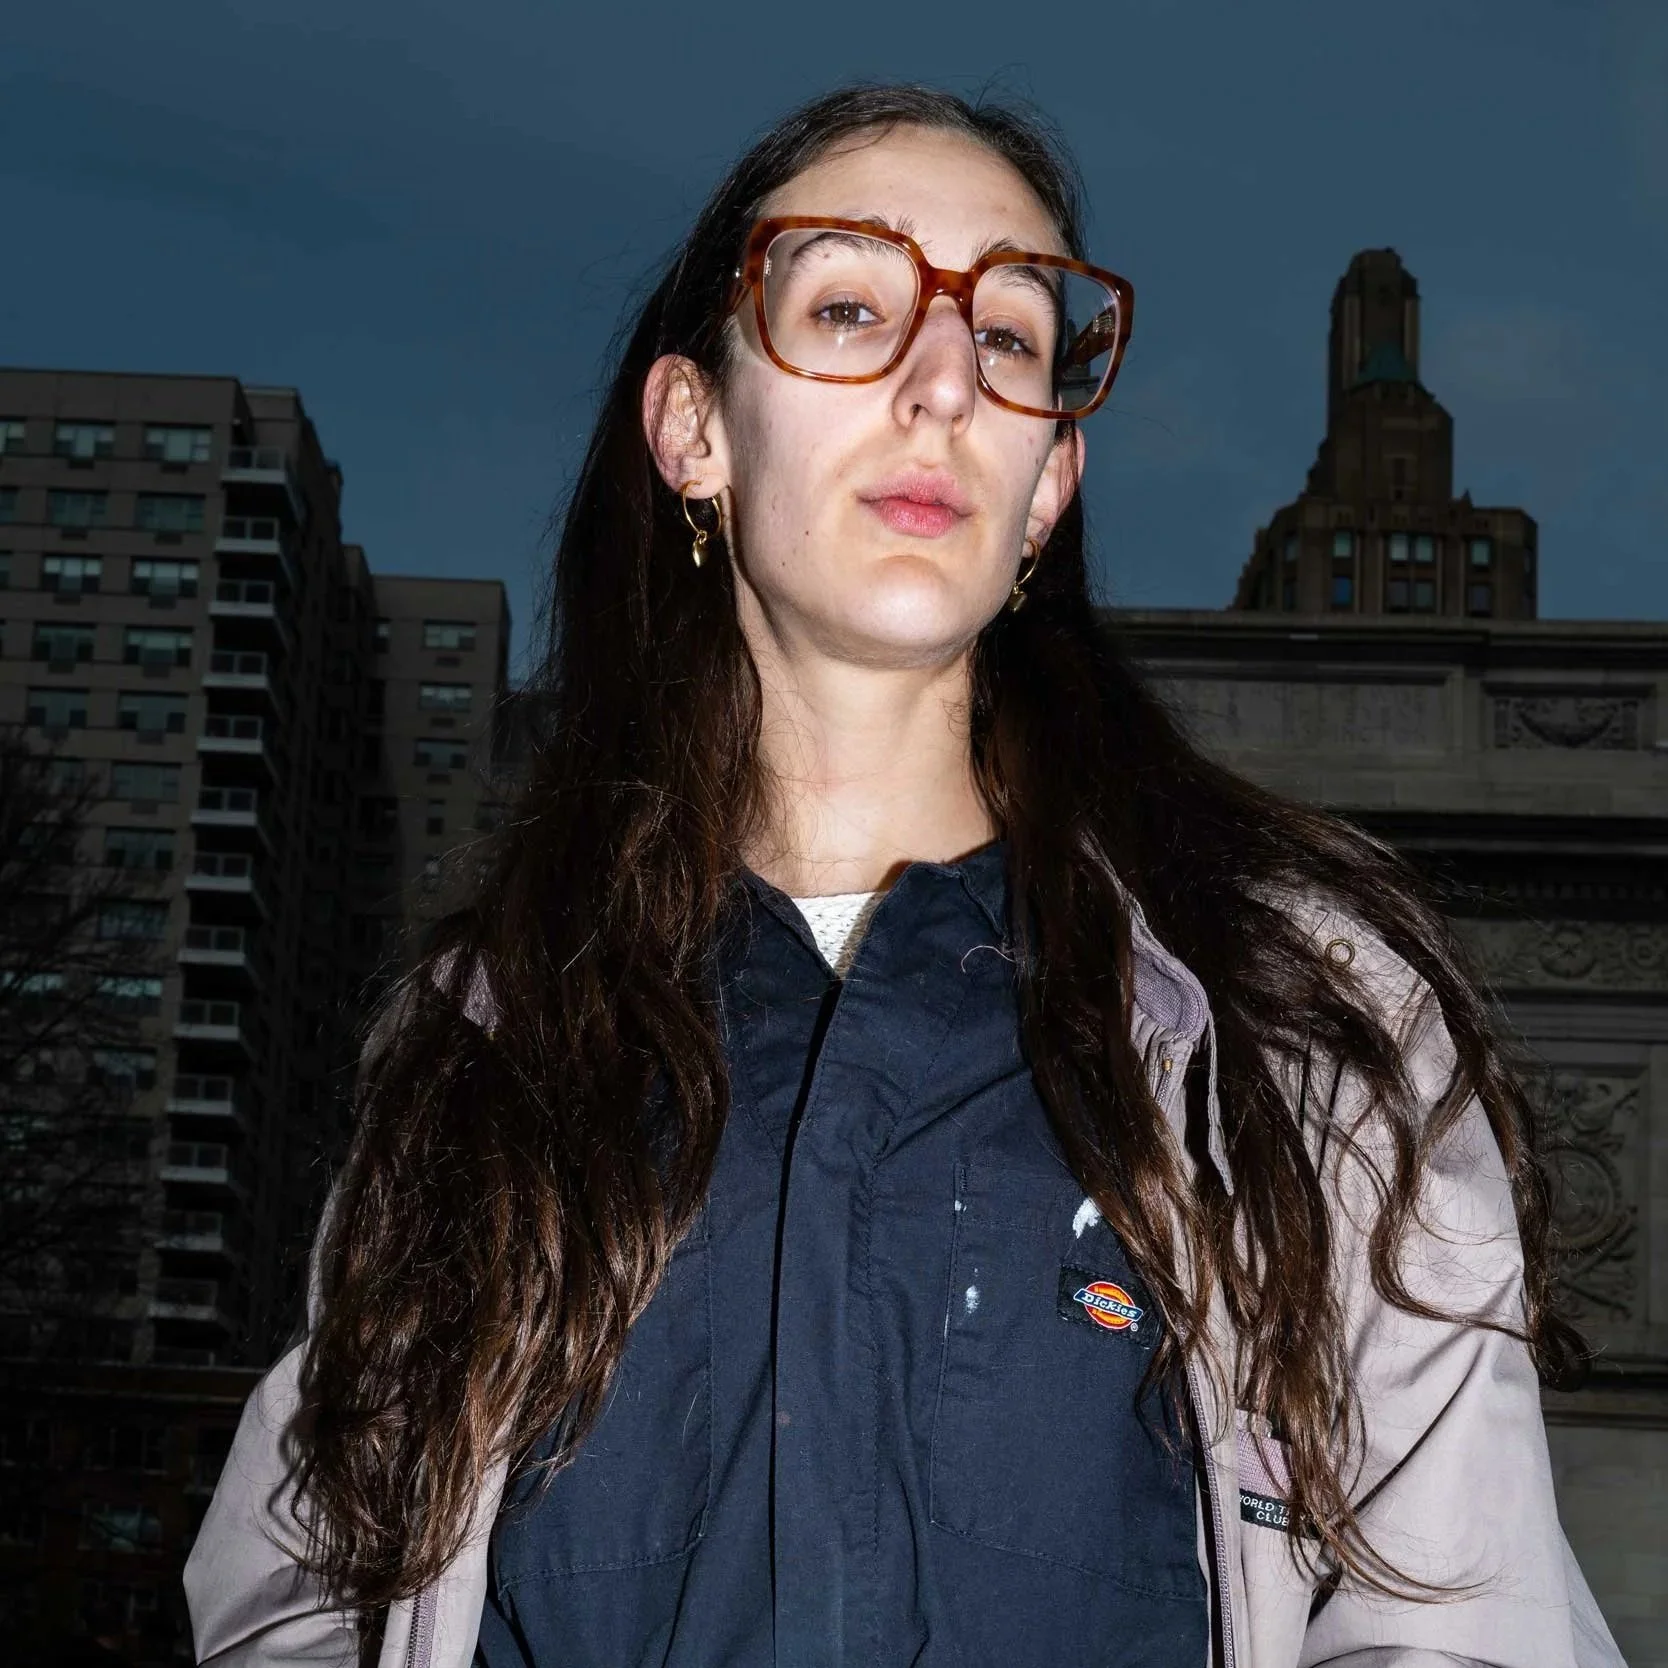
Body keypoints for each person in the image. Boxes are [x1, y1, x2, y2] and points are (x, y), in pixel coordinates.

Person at [184, 84, 1624, 1668]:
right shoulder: (484, 1046)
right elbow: (303, 1587)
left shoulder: (1298, 1017)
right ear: (694, 432)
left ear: (1049, 486)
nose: (944, 382)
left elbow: (1468, 1618)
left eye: (1009, 338)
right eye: (853, 306)